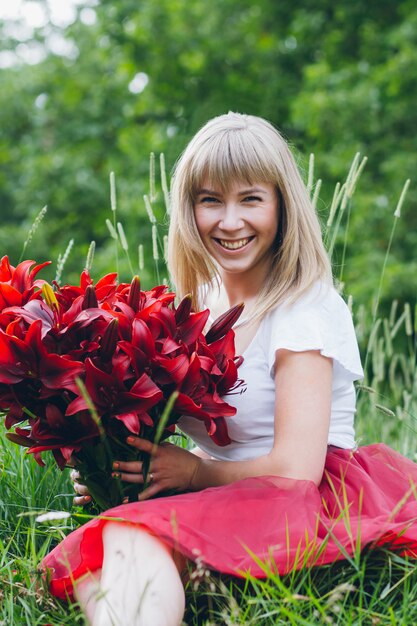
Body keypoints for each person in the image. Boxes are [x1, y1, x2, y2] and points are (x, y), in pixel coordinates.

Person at [43, 112, 417, 625]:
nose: (230, 221)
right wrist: (122, 468)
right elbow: (216, 435)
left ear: (282, 206)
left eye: (251, 199)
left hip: (306, 496)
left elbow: (294, 468)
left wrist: (194, 472)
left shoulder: (303, 309)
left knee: (125, 537)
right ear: (189, 209)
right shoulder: (202, 305)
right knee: (100, 552)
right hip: (234, 487)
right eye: (210, 199)